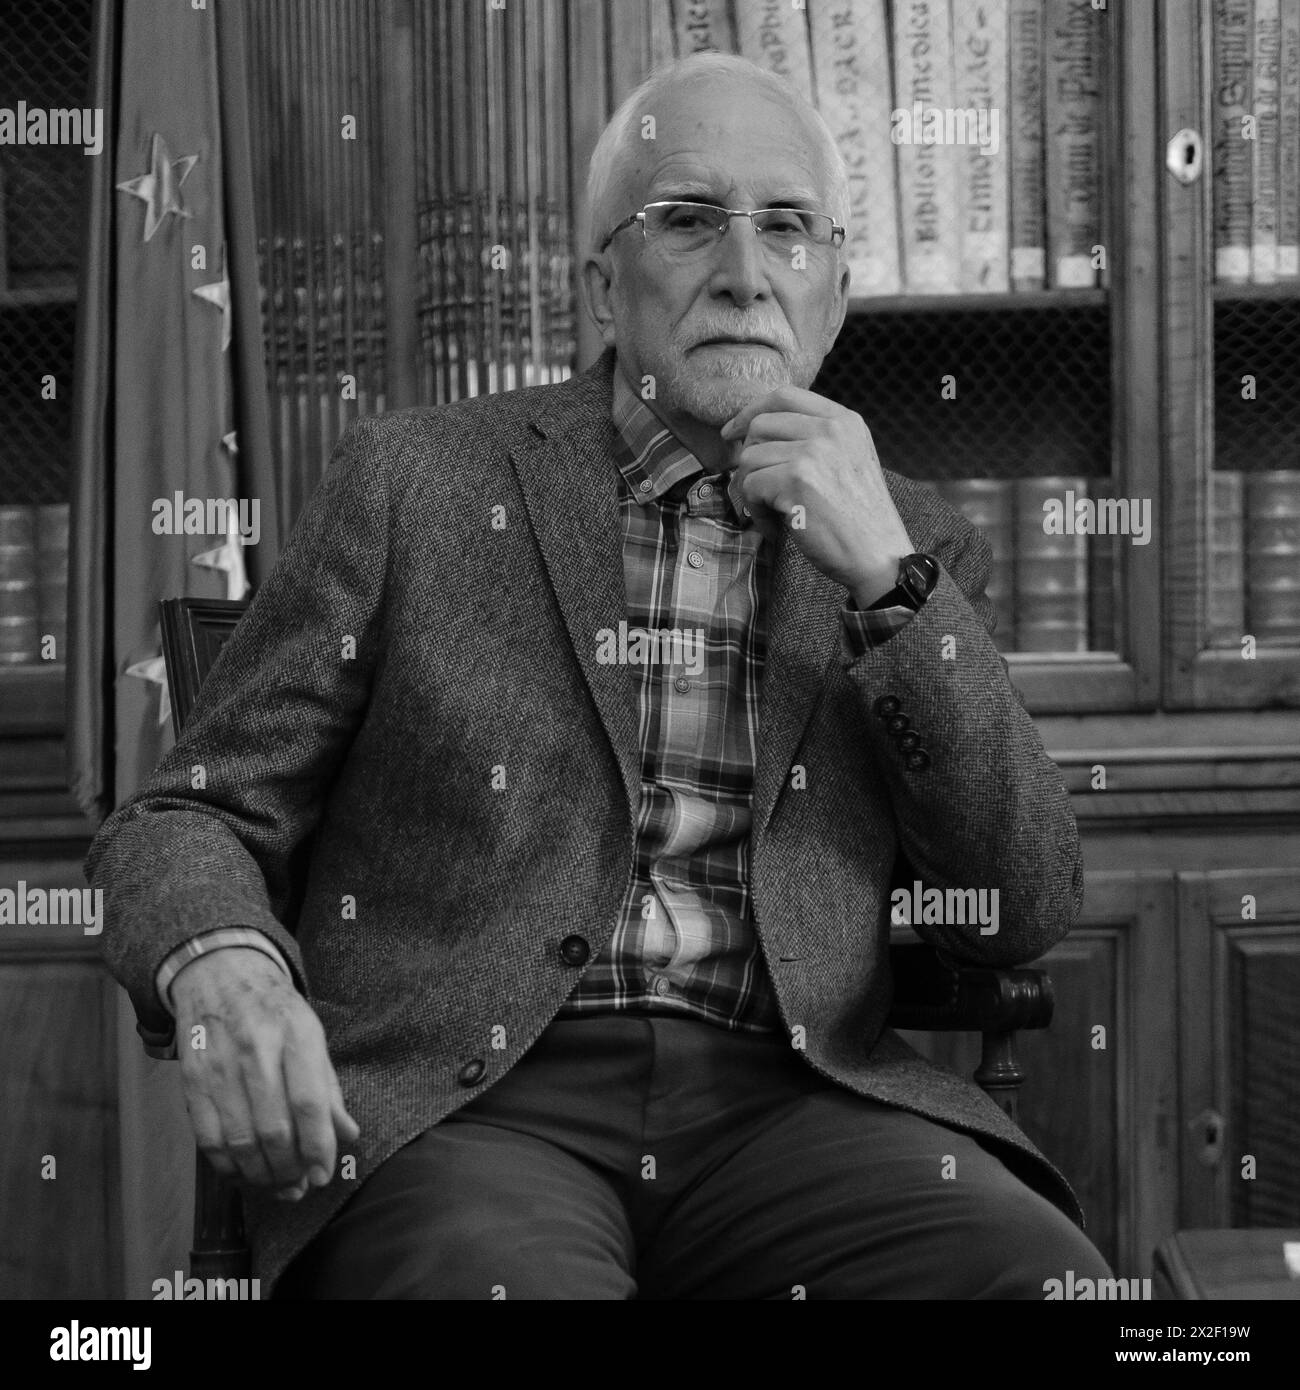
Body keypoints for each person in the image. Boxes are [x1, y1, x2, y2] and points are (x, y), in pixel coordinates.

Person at [87, 52, 1113, 1299]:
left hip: (795, 1108)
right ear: (602, 284)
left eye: (787, 228)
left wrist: (893, 590)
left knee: (1051, 1285)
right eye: (688, 220)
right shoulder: (417, 484)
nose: (743, 271)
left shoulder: (911, 540)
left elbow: (1023, 904)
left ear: (834, 293)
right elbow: (186, 813)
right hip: (474, 1112)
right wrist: (222, 964)